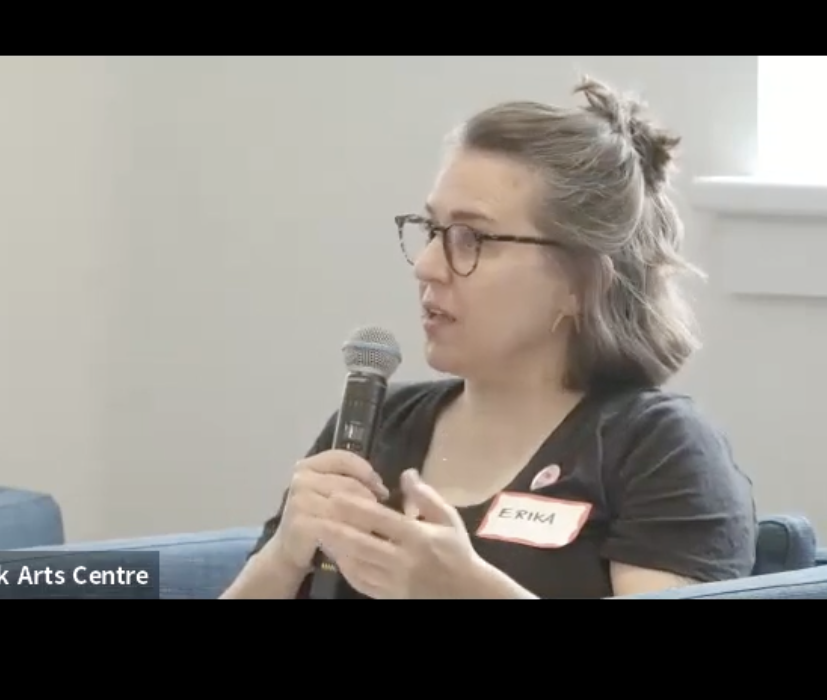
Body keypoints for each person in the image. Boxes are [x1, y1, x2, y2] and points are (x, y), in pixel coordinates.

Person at [222, 76, 757, 599]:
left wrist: (466, 591)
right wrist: (283, 557)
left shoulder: (656, 448)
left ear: (580, 282)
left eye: (471, 238)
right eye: (432, 230)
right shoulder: (375, 423)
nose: (428, 266)